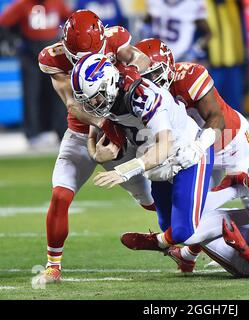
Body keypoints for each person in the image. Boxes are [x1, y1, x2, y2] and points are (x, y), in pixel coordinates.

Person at [118, 38, 249, 272]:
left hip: (230, 141)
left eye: (154, 74)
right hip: (194, 154)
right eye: (145, 76)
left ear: (167, 67)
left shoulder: (189, 76)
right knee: (196, 215)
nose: (150, 82)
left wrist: (199, 145)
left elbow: (217, 117)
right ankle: (187, 255)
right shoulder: (141, 95)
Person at [35, 9, 152, 284]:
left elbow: (141, 58)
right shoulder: (53, 58)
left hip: (122, 129)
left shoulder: (115, 38)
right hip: (81, 133)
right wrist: (105, 129)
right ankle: (53, 265)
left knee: (152, 200)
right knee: (61, 195)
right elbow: (74, 106)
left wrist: (132, 71)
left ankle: (185, 243)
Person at [71, 53, 215, 253]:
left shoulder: (142, 96)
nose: (93, 105)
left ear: (109, 82)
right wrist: (96, 153)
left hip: (188, 152)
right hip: (155, 158)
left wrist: (124, 171)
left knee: (183, 232)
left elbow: (164, 145)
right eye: (88, 100)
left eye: (95, 97)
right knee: (167, 226)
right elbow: (91, 123)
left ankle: (158, 241)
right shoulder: (107, 96)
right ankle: (181, 252)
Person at [0, 0, 71, 145]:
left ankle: (59, 131)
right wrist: (12, 41)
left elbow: (71, 19)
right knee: (31, 94)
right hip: (30, 56)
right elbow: (4, 22)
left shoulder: (57, 3)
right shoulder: (22, 5)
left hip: (53, 57)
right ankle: (33, 134)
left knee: (58, 93)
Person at [143, 0, 211, 63]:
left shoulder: (194, 2)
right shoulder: (154, 2)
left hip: (181, 57)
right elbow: (147, 22)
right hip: (156, 57)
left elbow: (208, 33)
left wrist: (194, 51)